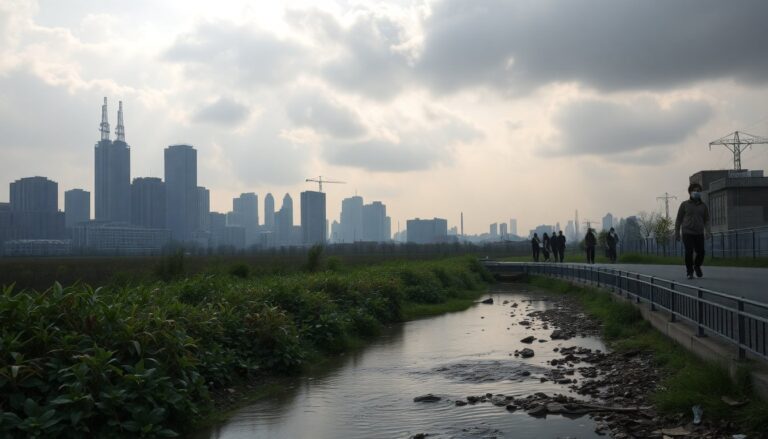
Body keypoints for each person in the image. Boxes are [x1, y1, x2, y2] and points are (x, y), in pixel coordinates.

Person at [675, 182, 711, 280]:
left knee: (701, 252)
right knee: (689, 251)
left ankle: (697, 266)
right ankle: (689, 272)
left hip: (699, 232)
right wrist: (677, 232)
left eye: (698, 191)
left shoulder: (703, 206)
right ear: (690, 192)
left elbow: (707, 219)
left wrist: (708, 231)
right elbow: (679, 219)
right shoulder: (684, 205)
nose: (696, 192)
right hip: (687, 232)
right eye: (694, 191)